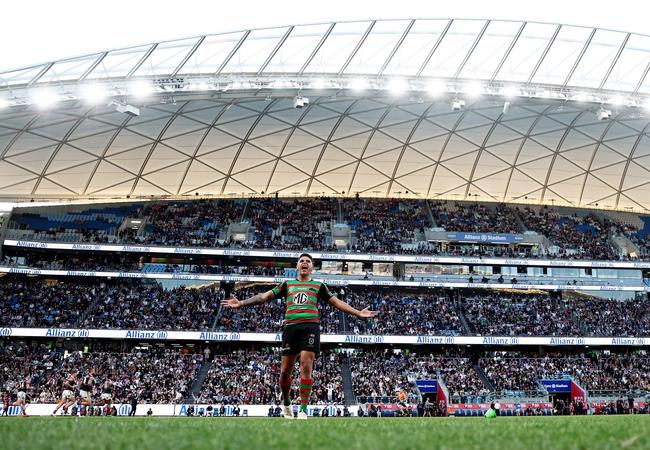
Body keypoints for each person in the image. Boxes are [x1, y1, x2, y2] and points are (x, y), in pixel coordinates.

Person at [221, 253, 377, 420]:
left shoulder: (319, 286)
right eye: (301, 261)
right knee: (285, 372)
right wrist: (242, 303)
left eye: (308, 261)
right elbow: (264, 297)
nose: (304, 263)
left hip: (310, 327)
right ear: (297, 266)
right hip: (291, 328)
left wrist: (358, 313)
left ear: (312, 267)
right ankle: (287, 403)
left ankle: (303, 409)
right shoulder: (287, 284)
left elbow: (336, 302)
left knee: (306, 366)